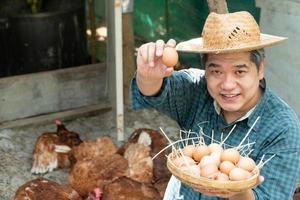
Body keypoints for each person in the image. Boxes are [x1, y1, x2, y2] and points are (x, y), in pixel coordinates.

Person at [130, 11, 300, 200]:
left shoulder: (283, 128)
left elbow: (273, 196)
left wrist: (238, 190)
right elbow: (154, 92)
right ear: (205, 70)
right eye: (216, 71)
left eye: (239, 71)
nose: (227, 85)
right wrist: (147, 75)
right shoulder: (196, 89)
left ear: (260, 69)